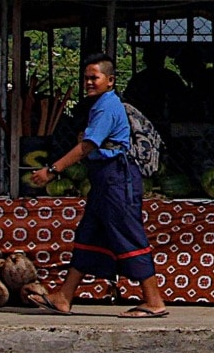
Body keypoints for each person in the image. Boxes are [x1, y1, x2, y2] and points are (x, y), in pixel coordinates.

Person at [32, 55, 166, 317]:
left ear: (110, 80)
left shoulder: (107, 106)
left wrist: (52, 170)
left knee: (128, 234)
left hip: (117, 179)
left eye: (95, 78)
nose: (89, 82)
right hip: (104, 180)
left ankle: (153, 300)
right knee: (90, 235)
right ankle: (64, 296)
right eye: (86, 78)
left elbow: (87, 146)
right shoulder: (102, 105)